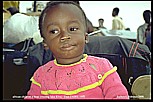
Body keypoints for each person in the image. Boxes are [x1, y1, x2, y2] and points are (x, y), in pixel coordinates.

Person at [25, 1, 129, 100]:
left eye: (72, 29)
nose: (64, 36)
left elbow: (119, 95)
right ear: (45, 43)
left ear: (86, 37)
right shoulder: (41, 76)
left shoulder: (103, 67)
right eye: (54, 31)